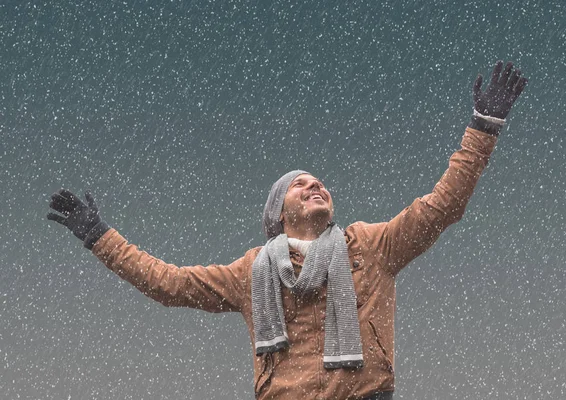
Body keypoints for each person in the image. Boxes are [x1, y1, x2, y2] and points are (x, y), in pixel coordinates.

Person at [48, 60, 527, 400]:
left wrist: (483, 127)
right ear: (280, 212)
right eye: (300, 185)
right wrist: (99, 236)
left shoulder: (371, 246)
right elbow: (166, 283)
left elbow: (443, 205)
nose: (314, 185)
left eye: (318, 182)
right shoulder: (251, 271)